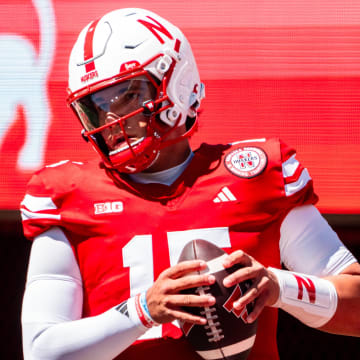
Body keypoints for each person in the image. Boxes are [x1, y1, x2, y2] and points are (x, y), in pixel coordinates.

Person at [20, 7, 360, 360]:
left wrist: (280, 287)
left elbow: (356, 302)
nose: (111, 116)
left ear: (178, 83)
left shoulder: (256, 176)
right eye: (96, 105)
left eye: (127, 95)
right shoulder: (67, 195)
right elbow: (41, 351)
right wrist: (143, 311)